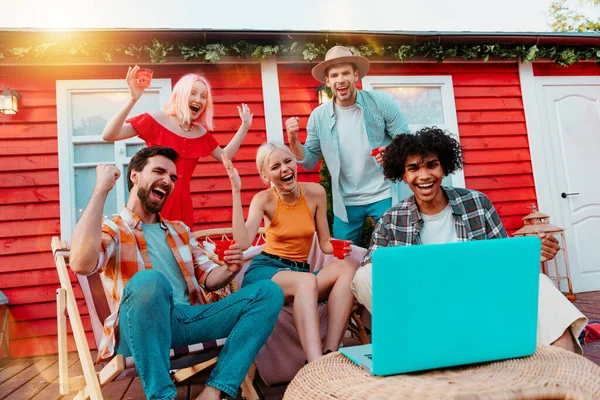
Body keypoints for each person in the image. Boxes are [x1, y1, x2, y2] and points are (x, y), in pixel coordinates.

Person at [69, 146, 283, 400]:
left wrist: (229, 269)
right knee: (151, 280)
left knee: (268, 291)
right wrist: (101, 189)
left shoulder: (179, 230)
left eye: (172, 177)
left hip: (189, 321)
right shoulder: (114, 229)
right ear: (134, 175)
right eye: (159, 171)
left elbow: (209, 279)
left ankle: (214, 391)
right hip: (138, 329)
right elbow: (81, 264)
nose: (167, 181)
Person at [351, 127, 588, 354]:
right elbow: (370, 272)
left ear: (443, 168)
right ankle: (422, 341)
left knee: (539, 283)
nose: (424, 176)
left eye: (432, 165)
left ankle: (563, 370)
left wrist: (535, 253)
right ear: (403, 175)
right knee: (363, 276)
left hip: (481, 300)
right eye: (413, 168)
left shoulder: (477, 203)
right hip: (425, 313)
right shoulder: (391, 219)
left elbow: (504, 259)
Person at [223, 142, 358, 363]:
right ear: (265, 176)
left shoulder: (315, 192)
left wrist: (338, 246)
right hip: (267, 272)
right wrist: (236, 190)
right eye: (275, 166)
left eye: (288, 162)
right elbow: (243, 242)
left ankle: (330, 352)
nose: (285, 169)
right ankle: (315, 365)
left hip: (301, 274)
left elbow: (324, 242)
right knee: (305, 281)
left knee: (349, 266)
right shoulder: (263, 199)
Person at [285, 45, 410, 245]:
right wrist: (293, 143)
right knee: (342, 259)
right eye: (334, 75)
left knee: (394, 250)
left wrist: (393, 153)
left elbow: (406, 140)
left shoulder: (381, 103)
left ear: (356, 75)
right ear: (328, 81)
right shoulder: (318, 116)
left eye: (345, 73)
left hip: (384, 193)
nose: (340, 79)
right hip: (346, 201)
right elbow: (308, 161)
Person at [102, 65, 253, 229]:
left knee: (179, 252)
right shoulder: (157, 119)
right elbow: (109, 135)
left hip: (182, 205)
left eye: (204, 96)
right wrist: (133, 98)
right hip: (153, 197)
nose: (199, 99)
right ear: (180, 95)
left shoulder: (200, 133)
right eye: (193, 93)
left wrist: (244, 126)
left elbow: (225, 157)